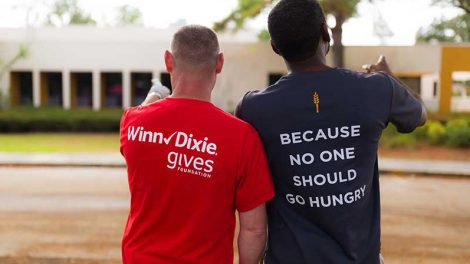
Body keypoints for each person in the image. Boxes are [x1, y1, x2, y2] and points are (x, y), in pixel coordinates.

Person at [235, 1, 427, 263]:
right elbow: (418, 115)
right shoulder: (377, 89)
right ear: (325, 33)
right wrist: (390, 78)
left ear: (275, 47)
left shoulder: (253, 108)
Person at [119, 25, 274, 264]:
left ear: (168, 60)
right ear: (219, 63)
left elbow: (143, 112)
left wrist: (155, 95)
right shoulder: (242, 137)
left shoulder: (133, 122)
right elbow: (255, 230)